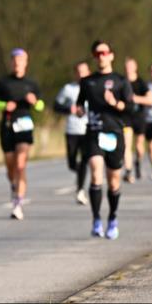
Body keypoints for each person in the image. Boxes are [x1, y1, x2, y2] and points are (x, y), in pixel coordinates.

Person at [75, 40, 133, 239]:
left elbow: (130, 107)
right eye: (97, 54)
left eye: (104, 53)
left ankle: (113, 217)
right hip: (94, 132)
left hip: (115, 132)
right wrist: (79, 111)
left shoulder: (121, 81)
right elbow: (80, 104)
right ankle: (96, 219)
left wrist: (115, 103)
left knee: (114, 180)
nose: (101, 56)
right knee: (95, 171)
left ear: (111, 55)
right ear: (94, 57)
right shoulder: (87, 82)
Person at [0, 48, 43, 220]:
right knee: (10, 165)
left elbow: (41, 106)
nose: (17, 64)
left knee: (21, 164)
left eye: (20, 60)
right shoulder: (2, 83)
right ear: (11, 62)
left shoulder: (32, 84)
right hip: (7, 125)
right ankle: (14, 185)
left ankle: (18, 203)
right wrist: (4, 106)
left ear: (26, 63)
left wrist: (35, 102)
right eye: (14, 60)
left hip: (25, 125)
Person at [54, 61, 91, 205]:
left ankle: (80, 190)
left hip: (87, 130)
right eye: (78, 72)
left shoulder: (92, 88)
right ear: (75, 74)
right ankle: (81, 174)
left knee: (84, 161)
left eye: (84, 72)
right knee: (72, 163)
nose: (81, 75)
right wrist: (68, 109)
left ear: (88, 72)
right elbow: (56, 105)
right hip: (72, 130)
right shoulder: (68, 89)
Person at [122, 58, 152, 184]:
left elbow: (151, 100)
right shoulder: (121, 82)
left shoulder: (141, 83)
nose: (128, 69)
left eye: (130, 66)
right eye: (126, 67)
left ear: (135, 68)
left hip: (139, 117)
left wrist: (136, 99)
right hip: (126, 117)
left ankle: (138, 161)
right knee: (126, 145)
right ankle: (128, 171)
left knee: (139, 147)